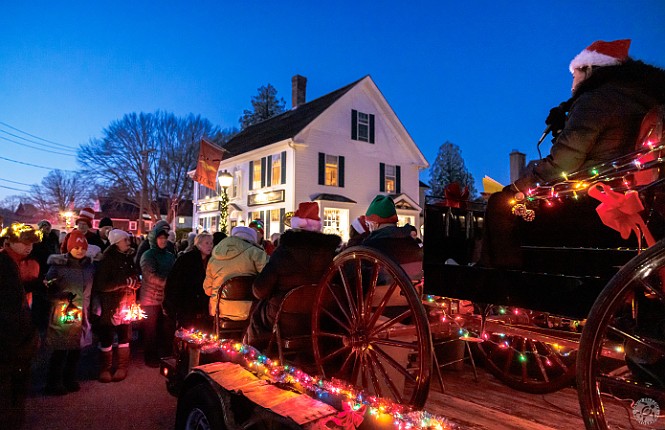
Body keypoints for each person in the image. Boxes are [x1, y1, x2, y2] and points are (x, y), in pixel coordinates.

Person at [481, 39, 665, 269]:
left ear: (589, 69)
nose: (572, 84)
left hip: (590, 205)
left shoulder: (597, 100)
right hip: (625, 198)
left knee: (499, 204)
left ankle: (500, 283)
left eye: (574, 74)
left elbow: (563, 165)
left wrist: (518, 185)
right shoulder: (636, 98)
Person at [247, 202, 341, 347]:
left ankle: (254, 352)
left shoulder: (283, 252)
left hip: (283, 322)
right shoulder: (331, 255)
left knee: (258, 309)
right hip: (319, 320)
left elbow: (259, 291)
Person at [43, 230, 96, 395]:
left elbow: (92, 290)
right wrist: (58, 296)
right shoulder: (58, 266)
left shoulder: (90, 267)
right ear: (69, 247)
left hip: (82, 313)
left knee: (76, 350)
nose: (80, 250)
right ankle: (53, 382)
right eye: (76, 247)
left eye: (83, 247)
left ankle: (70, 378)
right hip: (64, 313)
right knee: (60, 349)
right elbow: (47, 289)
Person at [0, 224, 40, 428]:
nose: (29, 247)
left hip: (19, 333)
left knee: (18, 381)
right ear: (9, 242)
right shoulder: (4, 264)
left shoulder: (17, 263)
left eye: (31, 243)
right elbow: (9, 302)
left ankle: (14, 419)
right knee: (8, 383)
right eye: (24, 243)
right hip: (9, 336)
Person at [92, 228, 139, 382]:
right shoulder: (107, 260)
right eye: (125, 240)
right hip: (110, 307)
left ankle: (122, 367)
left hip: (126, 305)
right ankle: (105, 368)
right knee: (107, 337)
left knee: (124, 336)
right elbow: (101, 285)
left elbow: (135, 276)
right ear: (117, 242)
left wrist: (135, 283)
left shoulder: (128, 257)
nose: (128, 242)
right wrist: (123, 283)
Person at [203, 226, 268, 323]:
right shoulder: (256, 253)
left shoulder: (214, 257)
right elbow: (267, 282)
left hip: (219, 310)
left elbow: (208, 290)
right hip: (250, 310)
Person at [361, 195, 423, 281]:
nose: (368, 228)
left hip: (379, 292)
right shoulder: (412, 243)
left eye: (368, 224)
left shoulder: (370, 246)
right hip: (412, 292)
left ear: (374, 224)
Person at [140, 222, 176, 367]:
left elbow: (174, 271)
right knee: (151, 330)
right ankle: (150, 356)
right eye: (160, 238)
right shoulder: (148, 255)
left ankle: (164, 354)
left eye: (165, 238)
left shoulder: (169, 255)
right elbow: (150, 275)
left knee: (165, 328)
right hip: (150, 299)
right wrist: (169, 282)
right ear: (154, 239)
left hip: (166, 298)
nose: (163, 241)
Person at [163, 232, 214, 332]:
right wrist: (171, 305)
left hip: (203, 306)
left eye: (211, 243)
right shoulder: (187, 259)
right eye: (206, 243)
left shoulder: (211, 260)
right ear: (198, 244)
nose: (210, 246)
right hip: (187, 304)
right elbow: (175, 282)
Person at [30, 219, 61, 333]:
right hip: (40, 270)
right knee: (39, 297)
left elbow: (57, 252)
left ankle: (46, 320)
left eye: (47, 226)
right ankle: (38, 322)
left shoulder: (53, 239)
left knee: (49, 297)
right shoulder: (37, 240)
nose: (45, 228)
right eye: (43, 226)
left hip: (51, 269)